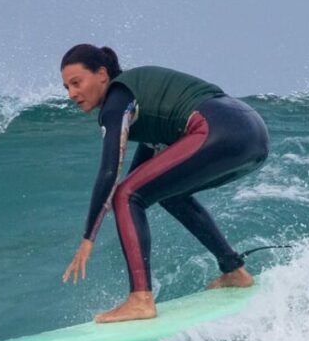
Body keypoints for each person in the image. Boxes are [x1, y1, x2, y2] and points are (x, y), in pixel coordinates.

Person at [59, 44, 269, 323]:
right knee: (166, 194)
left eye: (76, 83)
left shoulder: (117, 100)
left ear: (101, 74)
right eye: (66, 88)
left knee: (126, 194)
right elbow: (144, 177)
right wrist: (128, 200)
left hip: (218, 128)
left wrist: (88, 238)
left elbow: (111, 172)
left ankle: (140, 299)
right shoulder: (141, 96)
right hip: (251, 133)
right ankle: (234, 270)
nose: (72, 94)